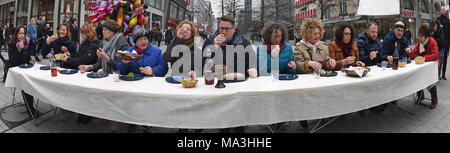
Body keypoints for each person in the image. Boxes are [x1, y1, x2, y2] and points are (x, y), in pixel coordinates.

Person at [202, 15, 258, 133]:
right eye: (221, 28)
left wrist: (253, 69)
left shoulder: (244, 42)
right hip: (218, 84)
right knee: (223, 123)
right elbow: (204, 64)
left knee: (238, 122)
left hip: (239, 84)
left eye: (227, 29)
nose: (223, 32)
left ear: (234, 28)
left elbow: (252, 62)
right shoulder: (210, 41)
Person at [293, 19, 336, 129]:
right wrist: (308, 63)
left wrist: (329, 62)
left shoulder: (323, 46)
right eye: (314, 34)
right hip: (306, 81)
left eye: (318, 33)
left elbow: (326, 61)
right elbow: (297, 65)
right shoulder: (299, 47)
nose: (317, 36)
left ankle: (321, 114)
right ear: (307, 34)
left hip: (320, 79)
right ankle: (303, 117)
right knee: (306, 100)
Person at [405, 24, 439, 109]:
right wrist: (410, 52)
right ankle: (421, 96)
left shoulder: (432, 41)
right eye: (419, 36)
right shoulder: (419, 44)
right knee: (417, 79)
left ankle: (434, 100)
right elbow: (413, 56)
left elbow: (435, 55)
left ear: (426, 36)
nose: (419, 38)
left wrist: (423, 58)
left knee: (430, 82)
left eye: (421, 36)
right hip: (422, 66)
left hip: (432, 66)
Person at [8, 26, 37, 119]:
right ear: (16, 34)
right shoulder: (12, 44)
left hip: (25, 70)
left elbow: (27, 57)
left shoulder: (25, 43)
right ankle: (30, 110)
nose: (22, 35)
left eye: (23, 33)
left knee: (31, 85)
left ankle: (31, 107)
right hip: (16, 72)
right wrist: (19, 50)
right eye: (20, 33)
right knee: (26, 86)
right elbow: (12, 61)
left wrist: (31, 60)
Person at [437, 6, 450, 80]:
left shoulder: (448, 20)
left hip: (447, 44)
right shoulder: (438, 19)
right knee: (440, 59)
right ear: (440, 11)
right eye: (441, 9)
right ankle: (438, 74)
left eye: (444, 10)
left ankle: (443, 74)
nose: (443, 11)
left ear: (445, 11)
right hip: (440, 44)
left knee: (445, 60)